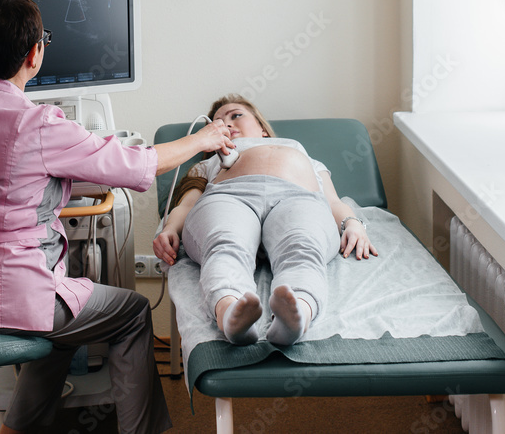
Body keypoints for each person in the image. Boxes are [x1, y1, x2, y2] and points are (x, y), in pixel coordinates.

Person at [0, 0, 232, 434]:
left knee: (64, 315)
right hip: (19, 300)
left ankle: (18, 428)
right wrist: (202, 139)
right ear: (34, 54)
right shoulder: (38, 123)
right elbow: (135, 165)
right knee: (130, 312)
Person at [152, 95, 378, 347]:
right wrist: (170, 228)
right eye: (218, 122)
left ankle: (296, 316)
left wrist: (352, 223)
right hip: (229, 197)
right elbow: (186, 205)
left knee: (302, 245)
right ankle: (230, 314)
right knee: (225, 243)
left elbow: (333, 201)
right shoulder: (208, 164)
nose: (227, 124)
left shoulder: (301, 153)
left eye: (236, 115)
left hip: (298, 198)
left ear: (262, 127)